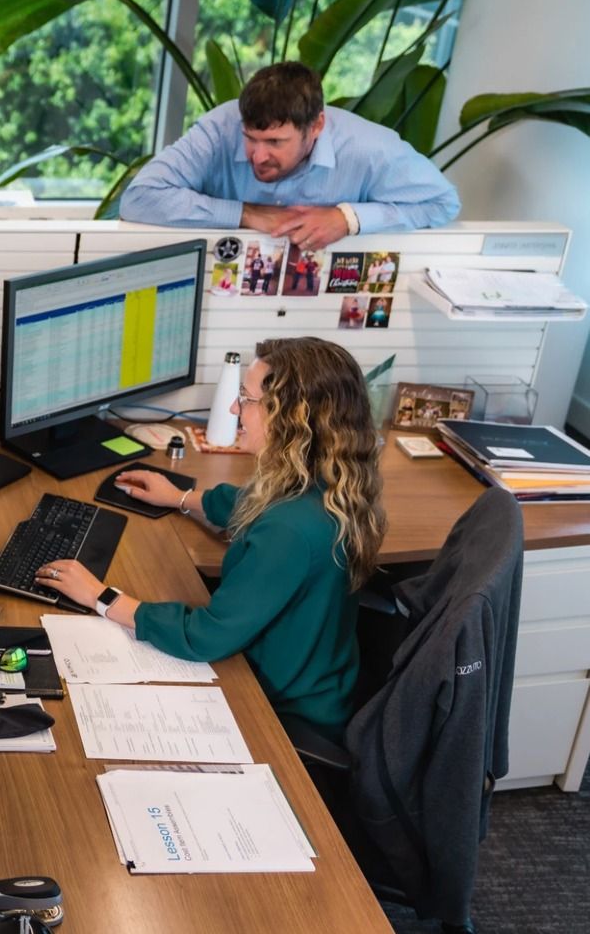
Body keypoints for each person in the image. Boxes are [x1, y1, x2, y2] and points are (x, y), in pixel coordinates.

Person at [35, 337, 385, 737]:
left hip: (283, 709)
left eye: (246, 399)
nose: (235, 408)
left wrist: (101, 596)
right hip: (326, 679)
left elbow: (205, 635)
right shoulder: (331, 479)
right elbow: (254, 503)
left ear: (289, 418)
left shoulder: (290, 531)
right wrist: (181, 497)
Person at [121, 61, 460, 250]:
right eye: (250, 138)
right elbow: (139, 198)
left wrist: (348, 219)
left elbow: (442, 203)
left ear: (316, 126)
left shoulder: (371, 149)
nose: (257, 156)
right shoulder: (219, 129)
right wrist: (246, 214)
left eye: (275, 142)